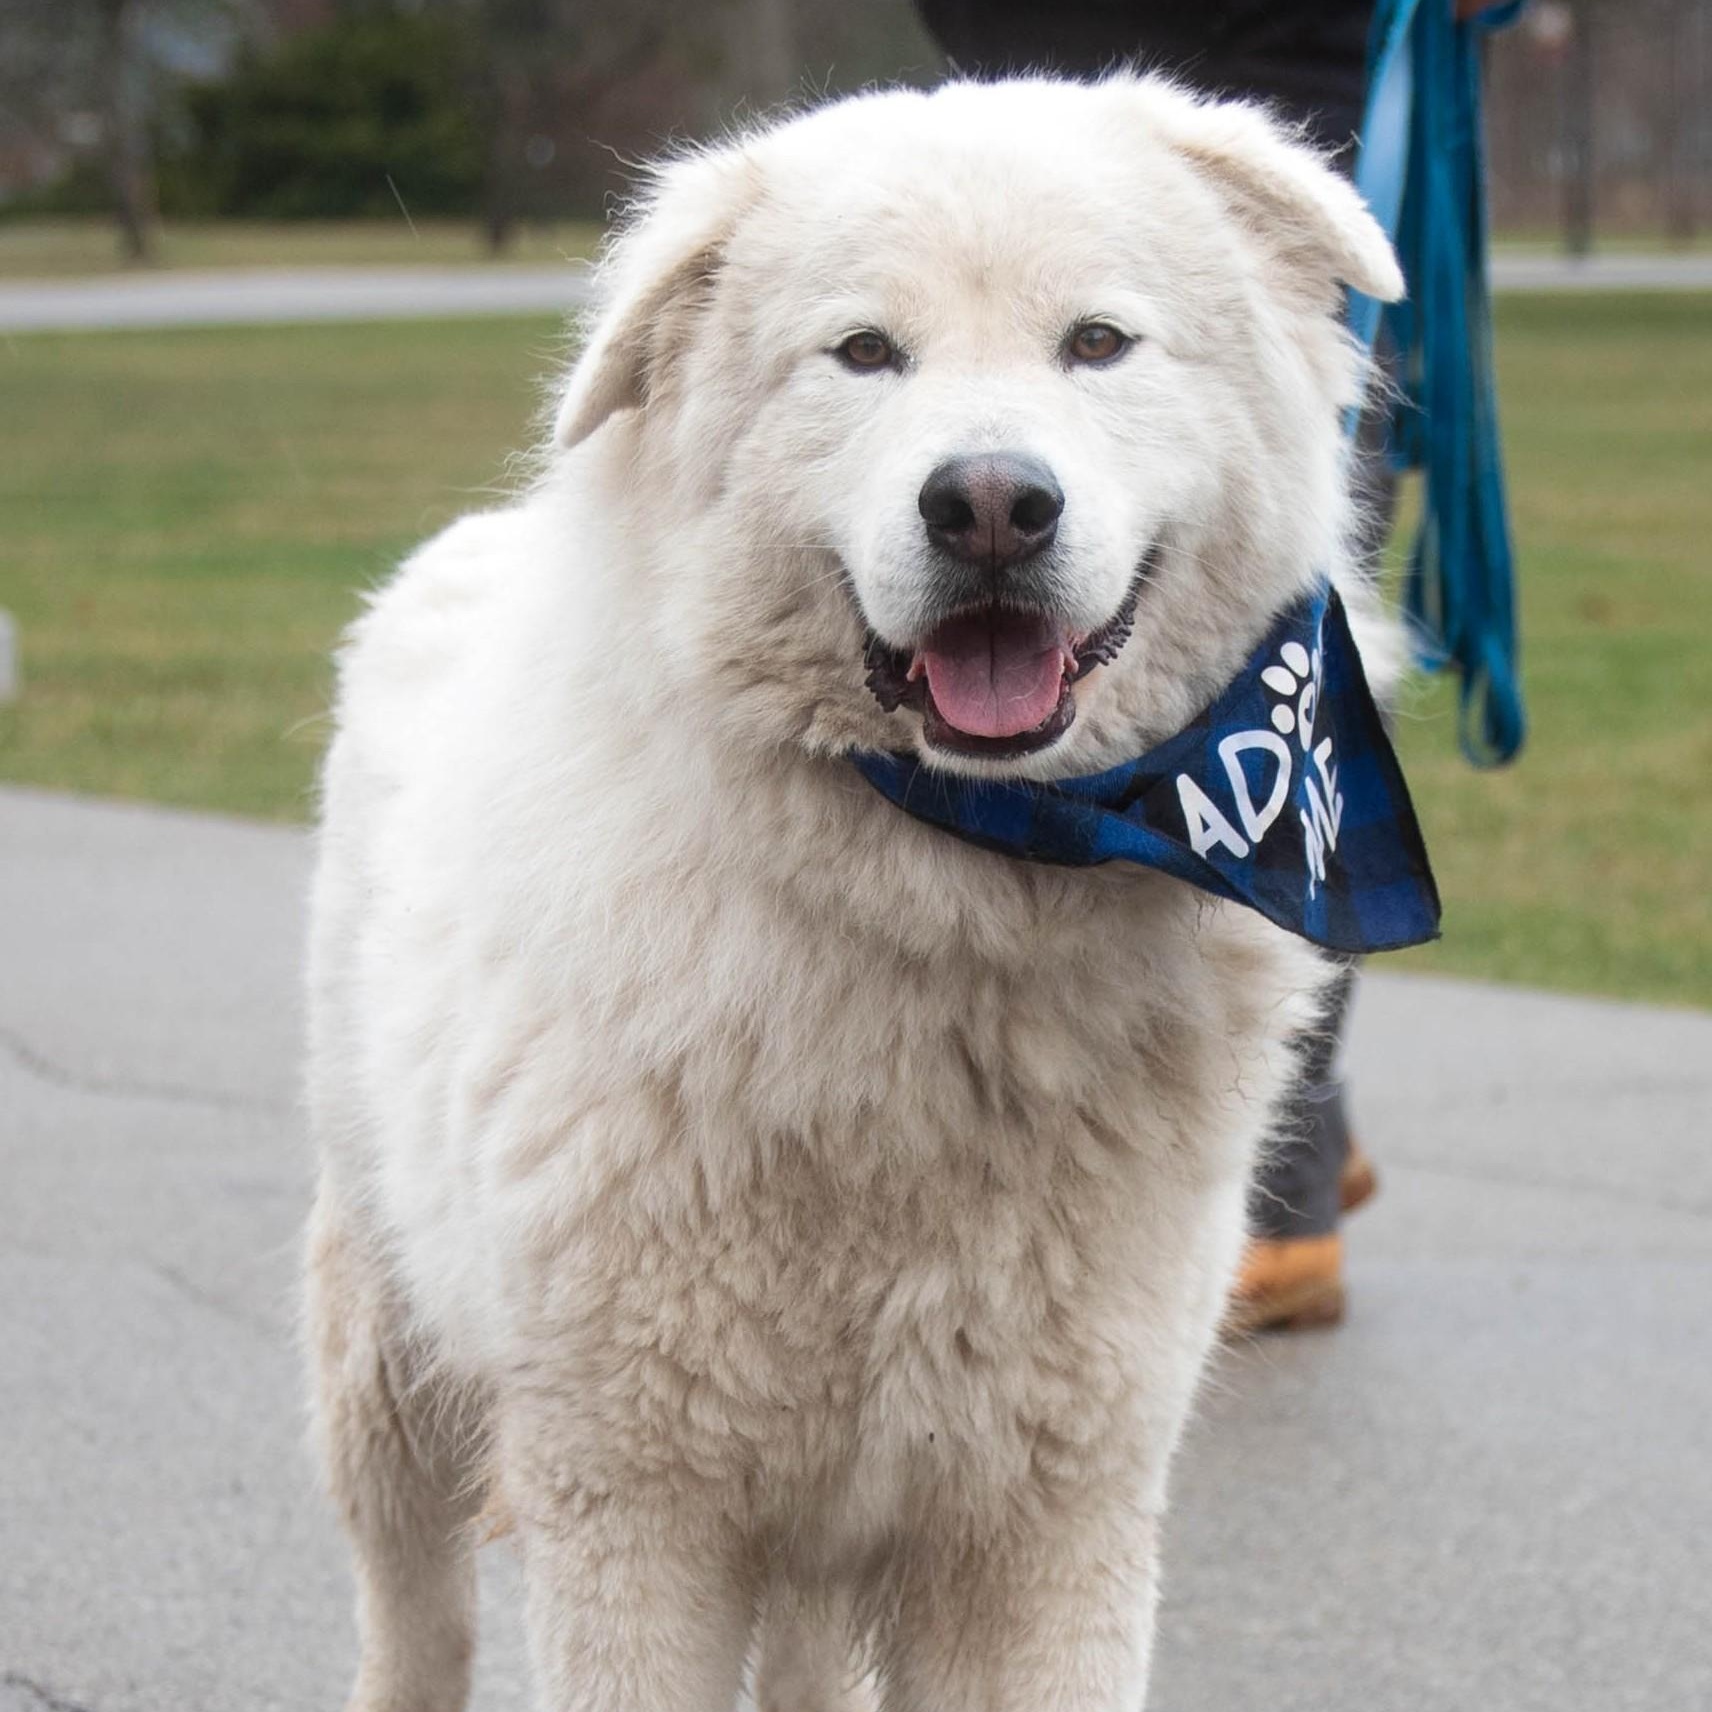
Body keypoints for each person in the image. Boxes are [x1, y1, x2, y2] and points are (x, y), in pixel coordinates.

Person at [915, 0, 1521, 1330]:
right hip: (1004, 145)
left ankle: (1277, 1162)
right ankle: (1285, 1115)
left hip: (1279, 141)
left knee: (1259, 660)